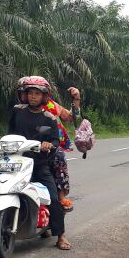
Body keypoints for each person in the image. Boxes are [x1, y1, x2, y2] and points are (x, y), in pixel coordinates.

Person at [7, 76, 71, 250]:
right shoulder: (17, 111)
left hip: (39, 165)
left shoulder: (49, 118)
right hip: (17, 163)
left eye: (37, 93)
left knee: (54, 198)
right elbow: (9, 132)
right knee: (3, 191)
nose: (33, 96)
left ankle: (61, 236)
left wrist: (49, 144)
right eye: (30, 93)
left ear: (44, 96)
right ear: (25, 95)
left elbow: (56, 141)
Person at [40, 84, 81, 212]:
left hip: (52, 145)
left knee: (59, 156)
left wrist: (76, 99)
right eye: (31, 92)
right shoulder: (21, 109)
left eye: (40, 92)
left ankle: (61, 196)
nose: (34, 96)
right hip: (30, 145)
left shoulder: (52, 105)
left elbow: (72, 118)